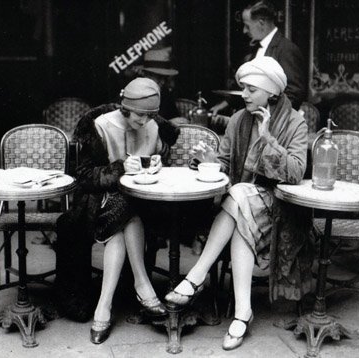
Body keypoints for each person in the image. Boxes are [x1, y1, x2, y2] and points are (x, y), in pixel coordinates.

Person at [165, 56, 313, 351]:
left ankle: (196, 275)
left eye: (250, 89)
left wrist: (269, 137)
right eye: (243, 88)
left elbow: (296, 173)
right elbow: (225, 162)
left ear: (271, 92)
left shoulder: (295, 122)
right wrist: (210, 161)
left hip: (280, 207)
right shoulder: (238, 120)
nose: (243, 95)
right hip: (242, 206)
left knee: (238, 196)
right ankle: (243, 311)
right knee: (240, 203)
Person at [53, 78, 180, 344]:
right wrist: (119, 168)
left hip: (140, 202)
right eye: (139, 115)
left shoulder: (153, 126)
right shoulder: (100, 125)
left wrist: (156, 162)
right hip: (95, 202)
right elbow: (84, 176)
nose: (144, 122)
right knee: (126, 215)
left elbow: (158, 159)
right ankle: (142, 285)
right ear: (125, 108)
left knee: (126, 215)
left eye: (150, 116)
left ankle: (104, 308)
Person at [211, 0, 307, 116]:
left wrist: (269, 116)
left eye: (247, 26)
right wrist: (226, 103)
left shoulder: (286, 49)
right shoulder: (254, 49)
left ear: (261, 23)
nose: (244, 31)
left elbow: (295, 94)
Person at [136, 47, 189, 125]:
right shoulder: (134, 94)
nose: (163, 82)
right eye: (159, 77)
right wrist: (167, 124)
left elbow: (173, 116)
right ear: (147, 75)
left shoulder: (164, 92)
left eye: (165, 78)